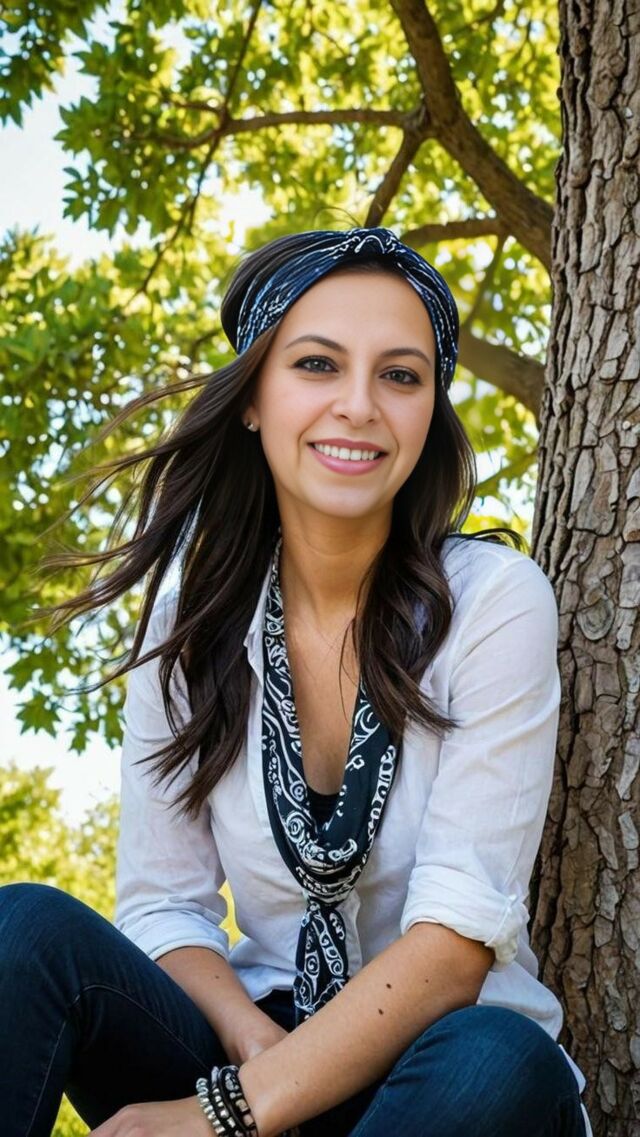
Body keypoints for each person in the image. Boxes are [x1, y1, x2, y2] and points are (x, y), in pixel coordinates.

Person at [0, 226, 593, 1137]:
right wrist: (250, 1050)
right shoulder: (186, 633)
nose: (358, 405)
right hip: (256, 1037)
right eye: (317, 364)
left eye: (401, 376)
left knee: (496, 1057)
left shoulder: (493, 603)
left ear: (429, 411)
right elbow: (165, 907)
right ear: (252, 398)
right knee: (25, 933)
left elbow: (454, 948)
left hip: (438, 1073)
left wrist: (222, 1117)